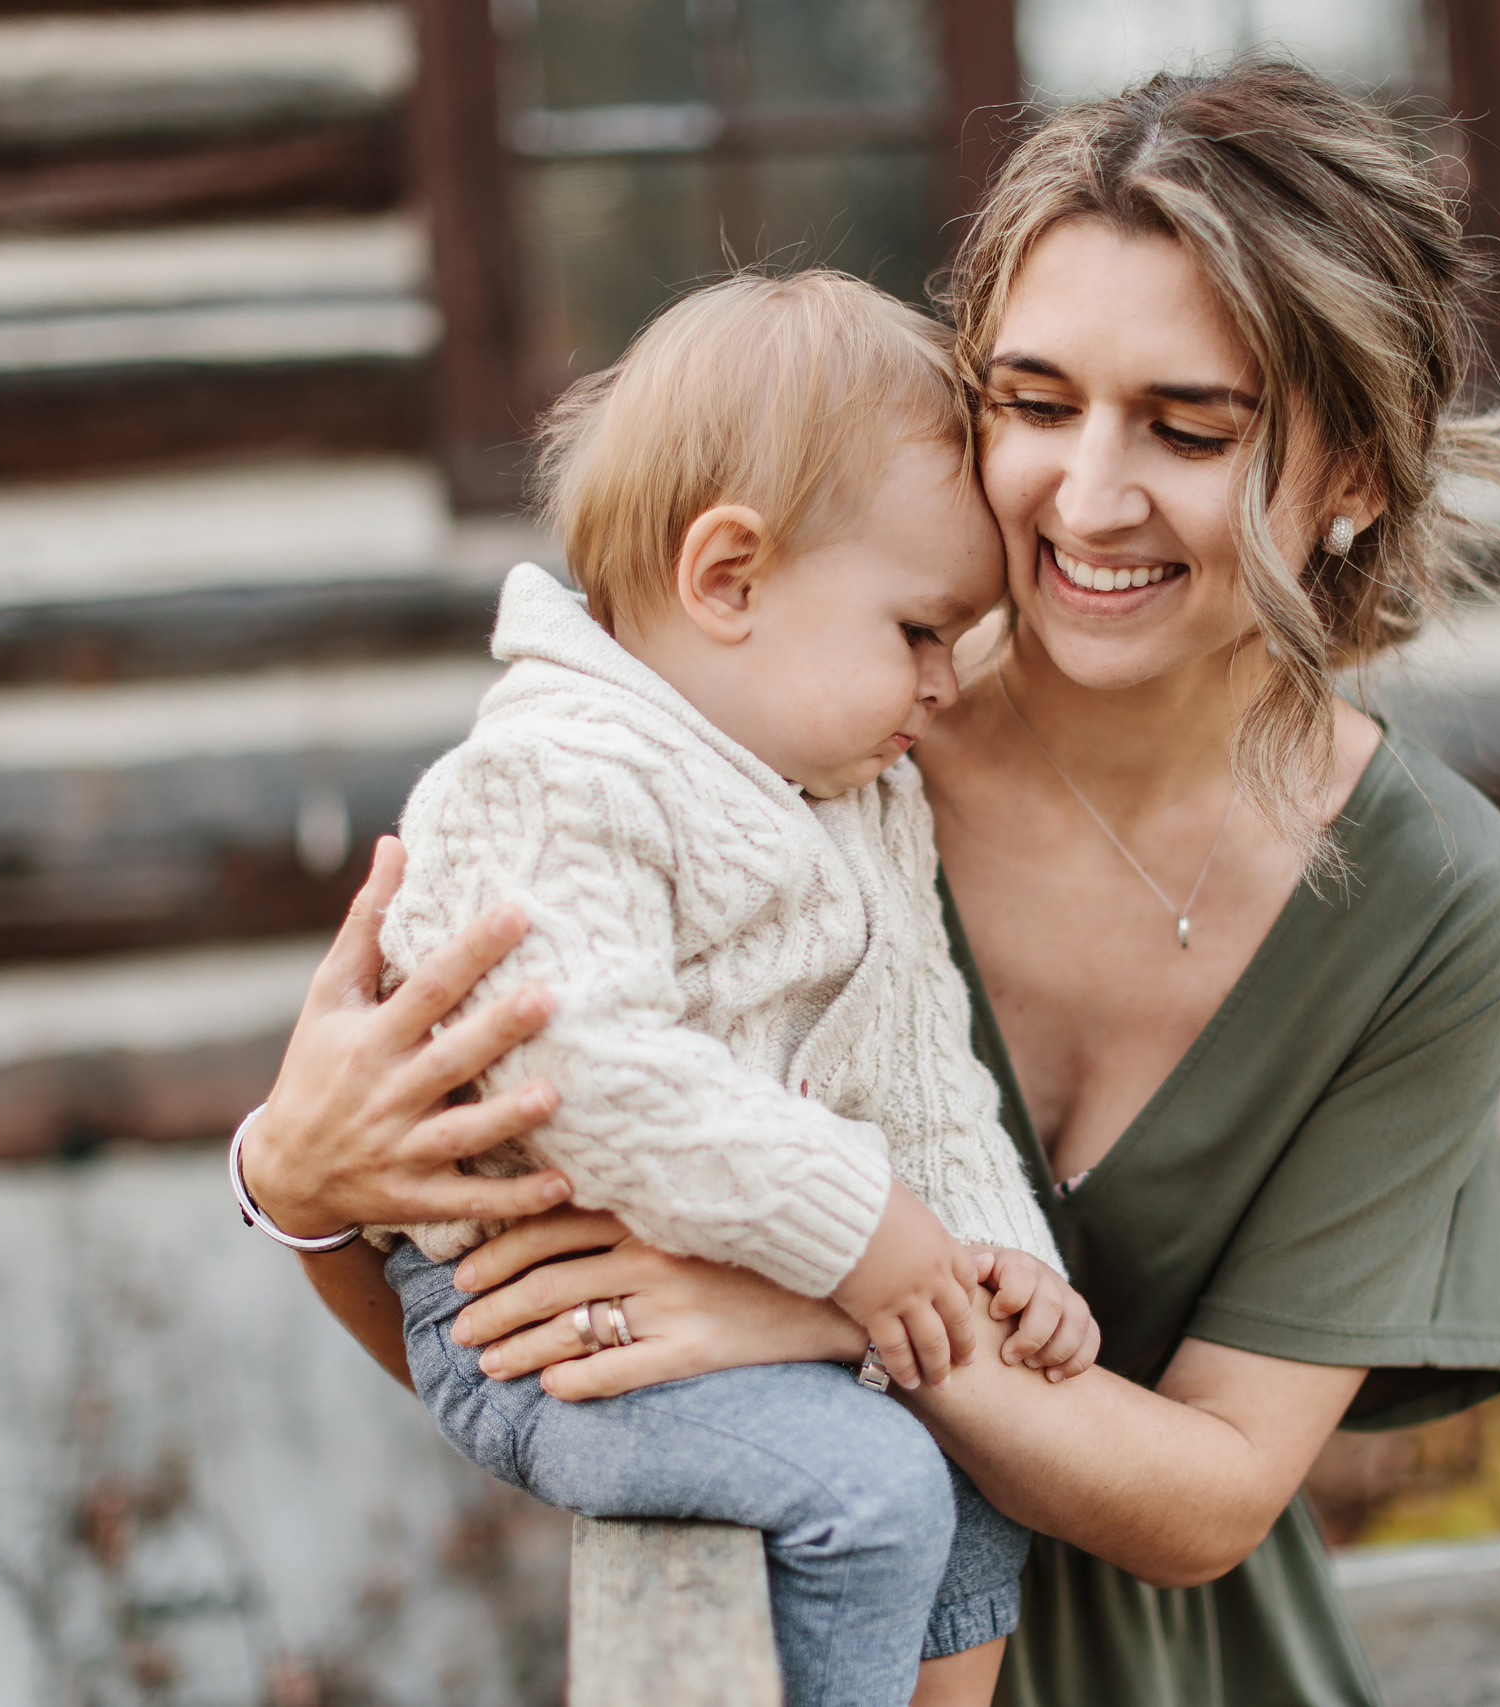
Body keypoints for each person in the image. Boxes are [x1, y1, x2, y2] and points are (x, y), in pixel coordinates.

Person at [241, 59, 1500, 1706]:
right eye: (1033, 399)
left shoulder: (1441, 910)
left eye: (1189, 426)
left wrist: (838, 1314)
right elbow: (507, 1316)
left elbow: (1214, 1495)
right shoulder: (791, 732)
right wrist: (289, 1182)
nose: (1086, 495)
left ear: (1357, 473)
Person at [238, 271, 1100, 1707]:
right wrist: (867, 1229)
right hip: (533, 1318)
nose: (947, 684)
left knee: (980, 1467)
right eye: (919, 631)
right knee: (873, 1487)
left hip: (750, 1286)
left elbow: (924, 1074)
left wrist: (1001, 1265)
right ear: (729, 579)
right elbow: (588, 1074)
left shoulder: (856, 799)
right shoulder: (554, 776)